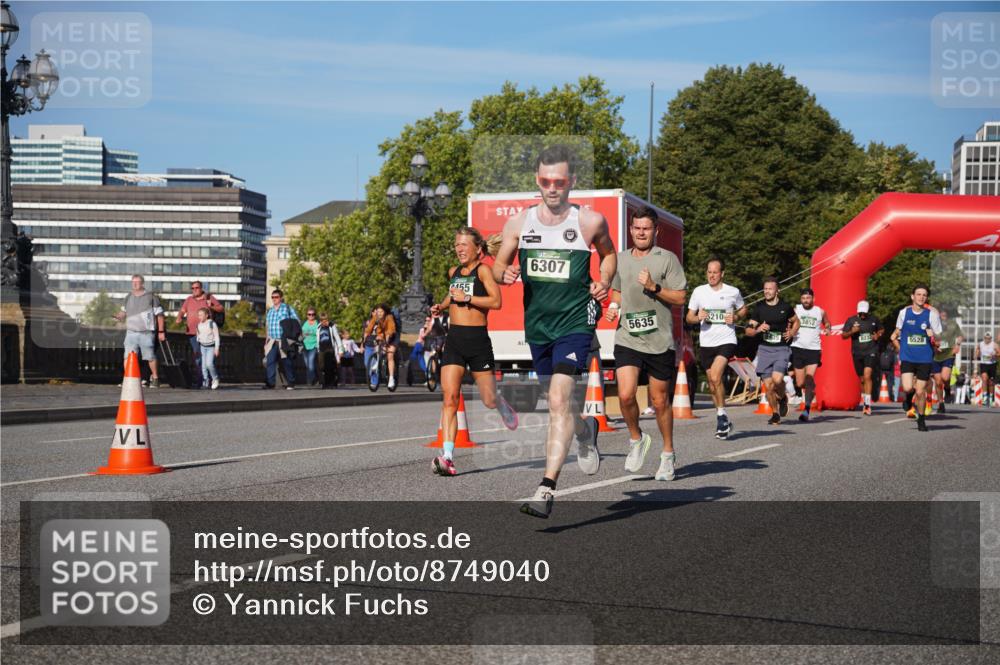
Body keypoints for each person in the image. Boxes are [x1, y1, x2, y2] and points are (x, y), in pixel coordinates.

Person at [491, 145, 617, 518]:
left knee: (559, 401)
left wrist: (605, 279)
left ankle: (546, 488)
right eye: (545, 181)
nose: (552, 188)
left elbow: (608, 255)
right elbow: (498, 265)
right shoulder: (519, 223)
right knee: (561, 404)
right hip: (539, 327)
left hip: (575, 323)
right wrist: (506, 273)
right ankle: (584, 430)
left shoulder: (589, 222)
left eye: (559, 182)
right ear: (537, 181)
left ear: (572, 182)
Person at [429, 227, 519, 476]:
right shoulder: (453, 272)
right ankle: (447, 456)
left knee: (488, 399)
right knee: (450, 398)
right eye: (456, 244)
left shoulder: (484, 271)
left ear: (477, 248)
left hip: (478, 341)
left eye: (463, 244)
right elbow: (452, 295)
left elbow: (496, 302)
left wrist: (467, 298)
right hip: (455, 340)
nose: (459, 249)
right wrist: (441, 306)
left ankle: (500, 403)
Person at [605, 206, 687, 480]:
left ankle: (667, 454)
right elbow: (616, 294)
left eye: (646, 228)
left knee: (660, 401)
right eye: (637, 228)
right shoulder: (620, 259)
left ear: (655, 231)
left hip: (659, 340)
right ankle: (636, 438)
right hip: (627, 336)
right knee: (626, 394)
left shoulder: (667, 259)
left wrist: (655, 287)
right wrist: (613, 308)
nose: (641, 232)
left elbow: (680, 298)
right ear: (631, 230)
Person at [686, 258, 746, 439]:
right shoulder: (699, 292)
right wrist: (698, 317)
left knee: (715, 376)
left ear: (722, 274)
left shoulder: (732, 292)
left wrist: (735, 317)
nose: (711, 275)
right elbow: (689, 317)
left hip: (727, 340)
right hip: (706, 343)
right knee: (713, 384)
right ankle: (723, 415)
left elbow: (743, 310)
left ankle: (720, 417)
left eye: (715, 272)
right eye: (709, 272)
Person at [745, 278, 799, 425]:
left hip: (782, 348)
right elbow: (748, 330)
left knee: (776, 380)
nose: (767, 291)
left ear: (777, 291)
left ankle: (782, 397)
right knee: (768, 386)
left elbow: (797, 321)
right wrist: (757, 330)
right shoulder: (759, 308)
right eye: (765, 289)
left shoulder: (785, 307)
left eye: (770, 289)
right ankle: (776, 412)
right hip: (764, 350)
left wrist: (792, 332)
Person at [890, 285, 942, 432]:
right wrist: (898, 345)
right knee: (907, 387)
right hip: (907, 356)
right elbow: (897, 331)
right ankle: (908, 398)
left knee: (920, 391)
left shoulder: (931, 314)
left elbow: (939, 338)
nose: (921, 297)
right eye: (918, 294)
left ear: (927, 298)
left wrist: (933, 336)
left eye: (924, 295)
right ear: (912, 296)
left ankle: (921, 419)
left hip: (925, 358)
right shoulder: (904, 313)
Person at [115, 274, 165, 388]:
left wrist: (161, 331)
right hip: (131, 332)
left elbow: (160, 315)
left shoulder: (151, 297)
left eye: (137, 282)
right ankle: (128, 379)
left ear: (142, 283)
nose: (135, 284)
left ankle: (156, 379)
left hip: (146, 332)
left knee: (150, 356)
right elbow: (124, 312)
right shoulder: (128, 297)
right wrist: (119, 316)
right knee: (127, 357)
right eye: (133, 282)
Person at [790, 287, 830, 422]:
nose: (805, 301)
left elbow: (827, 322)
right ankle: (809, 389)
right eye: (803, 298)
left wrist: (828, 328)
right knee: (800, 382)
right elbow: (789, 322)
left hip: (814, 349)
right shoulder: (796, 309)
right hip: (797, 348)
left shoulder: (820, 311)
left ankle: (806, 409)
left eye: (808, 298)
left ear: (813, 299)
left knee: (808, 377)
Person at [175, 281, 223, 388]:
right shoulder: (189, 299)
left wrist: (211, 306)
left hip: (207, 334)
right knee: (198, 358)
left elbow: (221, 308)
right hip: (192, 333)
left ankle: (207, 379)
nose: (194, 290)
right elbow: (182, 310)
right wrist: (179, 317)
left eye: (196, 288)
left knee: (205, 360)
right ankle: (203, 380)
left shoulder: (208, 297)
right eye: (192, 288)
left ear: (201, 288)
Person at [841, 300, 883, 415]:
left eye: (865, 312)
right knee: (862, 379)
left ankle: (867, 405)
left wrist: (877, 335)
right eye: (861, 312)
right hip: (857, 352)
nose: (863, 315)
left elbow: (881, 329)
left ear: (868, 311)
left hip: (871, 350)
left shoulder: (874, 319)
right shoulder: (851, 320)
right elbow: (843, 336)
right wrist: (852, 331)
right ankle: (865, 400)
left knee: (867, 375)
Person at [264, 289, 299, 390]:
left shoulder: (287, 308)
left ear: (281, 298)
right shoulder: (270, 311)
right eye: (272, 297)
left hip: (284, 340)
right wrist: (266, 339)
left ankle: (291, 382)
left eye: (276, 297)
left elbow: (296, 322)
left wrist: (292, 337)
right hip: (272, 340)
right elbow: (268, 325)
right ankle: (270, 383)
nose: (274, 299)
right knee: (270, 361)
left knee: (287, 361)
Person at [931, 308, 964, 413]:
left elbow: (960, 336)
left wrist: (957, 345)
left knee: (945, 378)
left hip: (948, 354)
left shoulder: (953, 325)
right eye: (941, 314)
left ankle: (948, 389)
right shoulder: (932, 324)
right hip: (935, 356)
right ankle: (941, 403)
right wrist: (933, 346)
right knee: (938, 381)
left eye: (945, 314)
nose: (943, 316)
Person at [363, 304, 399, 389]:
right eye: (378, 311)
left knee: (390, 355)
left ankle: (391, 378)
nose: (379, 313)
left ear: (385, 312)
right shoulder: (376, 317)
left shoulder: (389, 317)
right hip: (382, 334)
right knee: (378, 344)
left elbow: (391, 329)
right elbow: (370, 326)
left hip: (392, 336)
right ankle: (377, 362)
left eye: (381, 311)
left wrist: (388, 336)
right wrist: (366, 334)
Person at [195, 307, 221, 390]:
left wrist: (217, 348)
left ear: (206, 315)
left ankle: (215, 378)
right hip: (202, 346)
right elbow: (198, 336)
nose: (199, 317)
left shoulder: (212, 324)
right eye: (198, 315)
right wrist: (197, 347)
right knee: (203, 366)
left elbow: (216, 337)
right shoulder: (199, 325)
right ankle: (205, 381)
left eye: (201, 315)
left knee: (209, 364)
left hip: (211, 347)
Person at [317, 313, 341, 388]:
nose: (326, 322)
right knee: (322, 367)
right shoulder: (318, 327)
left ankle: (329, 383)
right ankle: (325, 382)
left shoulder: (331, 326)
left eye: (327, 320)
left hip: (329, 349)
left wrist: (340, 349)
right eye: (324, 321)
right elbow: (317, 338)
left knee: (329, 367)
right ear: (321, 321)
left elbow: (337, 337)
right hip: (321, 349)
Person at [975, 332, 997, 407]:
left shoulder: (994, 345)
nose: (987, 340)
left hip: (992, 364)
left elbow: (999, 353)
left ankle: (991, 398)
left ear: (991, 338)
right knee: (984, 379)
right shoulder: (980, 344)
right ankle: (984, 397)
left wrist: (994, 355)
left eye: (989, 338)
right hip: (984, 364)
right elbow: (977, 349)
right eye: (986, 338)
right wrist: (977, 354)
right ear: (984, 338)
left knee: (991, 382)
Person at [301, 309, 320, 386]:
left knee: (311, 362)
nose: (311, 316)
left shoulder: (317, 323)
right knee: (307, 364)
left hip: (314, 345)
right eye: (309, 314)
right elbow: (301, 334)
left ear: (315, 315)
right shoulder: (304, 323)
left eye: (313, 314)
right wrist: (303, 335)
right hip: (305, 346)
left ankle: (310, 381)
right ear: (307, 315)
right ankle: (316, 378)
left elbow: (319, 334)